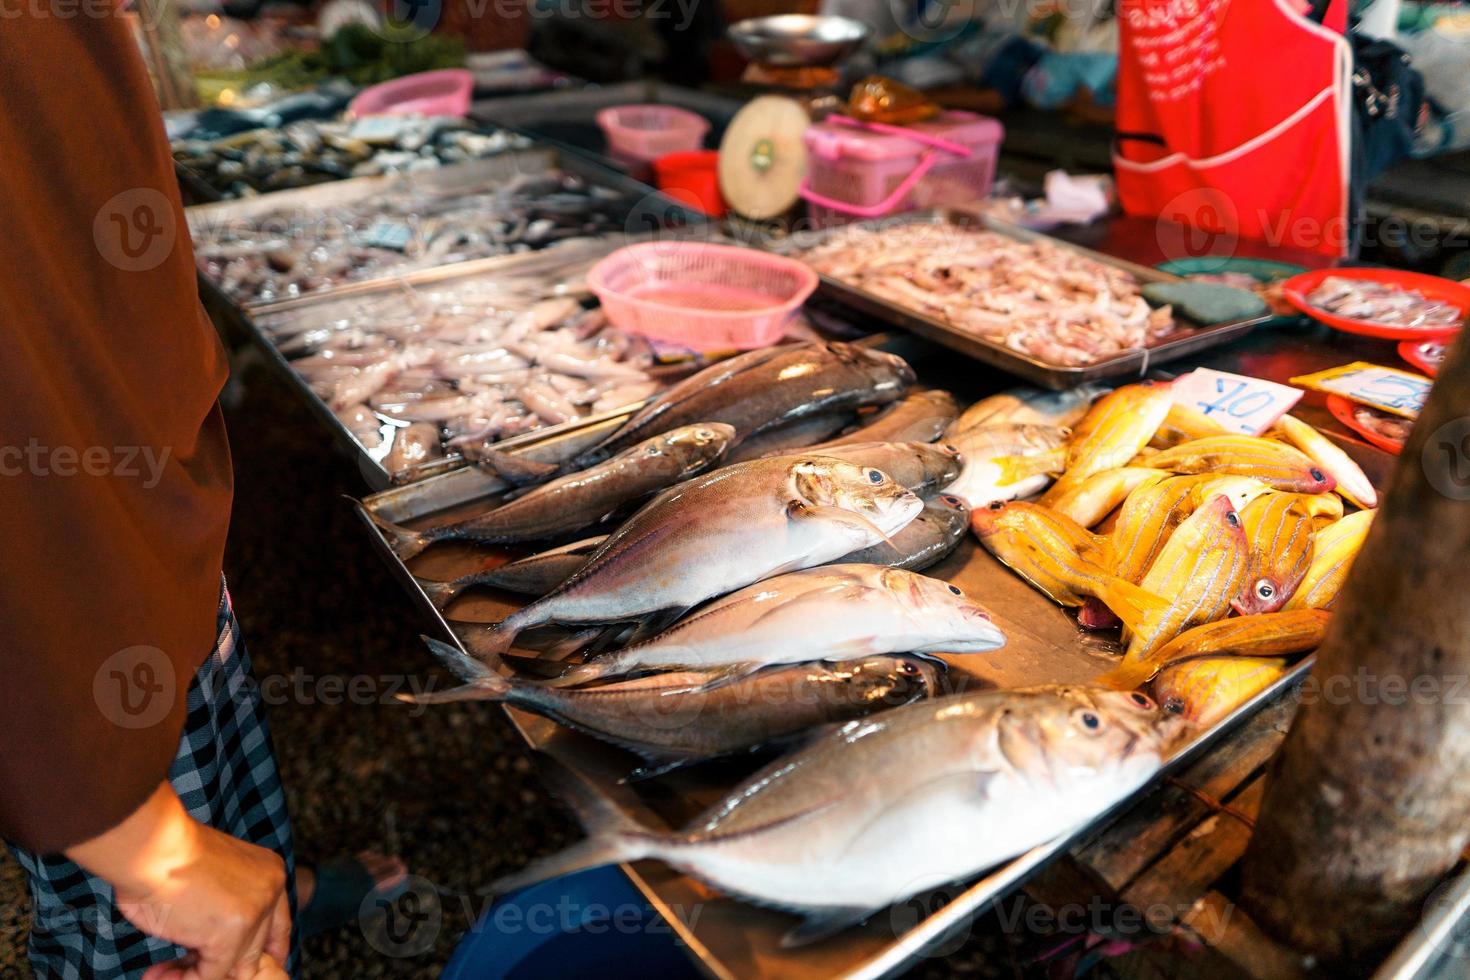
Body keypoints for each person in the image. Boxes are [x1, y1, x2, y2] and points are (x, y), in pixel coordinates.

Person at [0, 21, 403, 979]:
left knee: (220, 785)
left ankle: (275, 883)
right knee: (151, 933)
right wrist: (132, 835)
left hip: (140, 482)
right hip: (64, 581)